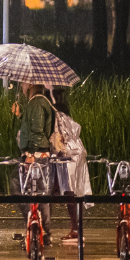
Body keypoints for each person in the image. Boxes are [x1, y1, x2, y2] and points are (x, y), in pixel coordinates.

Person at [11, 81, 56, 244]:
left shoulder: (37, 102)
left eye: (23, 82)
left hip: (35, 154)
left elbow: (37, 130)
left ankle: (37, 228)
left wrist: (30, 155)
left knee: (18, 186)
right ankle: (41, 230)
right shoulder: (39, 101)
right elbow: (35, 124)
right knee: (40, 192)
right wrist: (21, 115)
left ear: (30, 84)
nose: (21, 86)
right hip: (39, 154)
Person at [48, 87, 92, 245]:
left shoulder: (54, 112)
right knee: (69, 192)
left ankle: (72, 229)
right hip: (73, 152)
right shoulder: (64, 111)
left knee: (64, 191)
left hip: (65, 154)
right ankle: (74, 229)